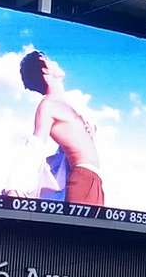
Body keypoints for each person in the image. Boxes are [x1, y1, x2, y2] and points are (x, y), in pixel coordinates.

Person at [11, 49, 106, 207]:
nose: (54, 61)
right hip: (82, 179)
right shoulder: (48, 105)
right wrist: (14, 188)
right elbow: (35, 146)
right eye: (48, 59)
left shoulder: (67, 106)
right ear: (45, 70)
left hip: (93, 180)